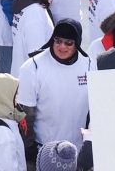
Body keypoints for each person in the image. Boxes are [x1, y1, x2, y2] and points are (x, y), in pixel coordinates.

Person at [17, 19, 91, 164]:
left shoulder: (89, 65)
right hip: (45, 151)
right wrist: (29, 147)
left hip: (77, 150)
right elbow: (25, 113)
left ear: (77, 44)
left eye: (68, 43)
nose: (62, 47)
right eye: (58, 41)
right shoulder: (32, 67)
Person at [11, 0, 54, 77]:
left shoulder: (24, 4)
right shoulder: (34, 13)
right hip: (33, 77)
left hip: (23, 69)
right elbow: (36, 51)